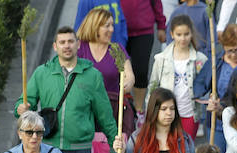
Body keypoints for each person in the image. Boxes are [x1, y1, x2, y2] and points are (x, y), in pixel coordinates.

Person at [77, 8, 136, 136]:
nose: (112, 30)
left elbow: (129, 75)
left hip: (111, 109)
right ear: (95, 26)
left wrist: (128, 82)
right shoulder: (80, 48)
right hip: (85, 109)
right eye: (107, 26)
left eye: (112, 25)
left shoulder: (116, 49)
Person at [148, 15, 208, 138]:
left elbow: (206, 86)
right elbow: (153, 87)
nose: (183, 38)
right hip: (166, 114)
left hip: (189, 113)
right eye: (179, 34)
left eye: (186, 34)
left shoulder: (200, 59)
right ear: (172, 34)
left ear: (191, 34)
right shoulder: (161, 59)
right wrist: (150, 112)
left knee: (186, 151)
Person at [195, 24, 237, 153]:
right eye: (229, 51)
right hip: (217, 123)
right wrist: (207, 99)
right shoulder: (216, 62)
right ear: (223, 47)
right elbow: (198, 86)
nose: (234, 55)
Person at [121, 0, 167, 110]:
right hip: (119, 31)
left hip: (143, 31)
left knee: (141, 72)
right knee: (119, 72)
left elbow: (156, 3)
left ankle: (139, 110)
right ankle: (120, 108)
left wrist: (161, 25)